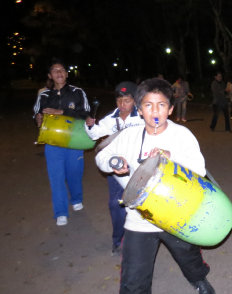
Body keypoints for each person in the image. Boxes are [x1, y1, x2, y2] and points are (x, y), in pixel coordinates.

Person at [95, 78, 215, 294]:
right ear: (140, 110)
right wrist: (114, 163)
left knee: (188, 254)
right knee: (133, 281)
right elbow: (102, 157)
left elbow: (199, 168)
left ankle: (198, 279)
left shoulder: (182, 135)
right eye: (148, 105)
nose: (155, 111)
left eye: (161, 105)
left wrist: (171, 157)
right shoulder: (129, 136)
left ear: (170, 109)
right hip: (140, 216)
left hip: (175, 211)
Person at [85, 81, 144, 255]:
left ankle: (142, 240)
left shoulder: (142, 115)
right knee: (116, 204)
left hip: (139, 166)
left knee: (142, 203)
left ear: (135, 100)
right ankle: (118, 240)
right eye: (119, 100)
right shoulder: (112, 117)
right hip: (117, 166)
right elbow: (95, 133)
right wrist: (90, 125)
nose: (122, 105)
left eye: (127, 100)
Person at [33, 59, 90, 226]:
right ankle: (61, 211)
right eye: (55, 71)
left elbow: (86, 114)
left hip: (74, 140)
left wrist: (62, 112)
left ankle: (76, 198)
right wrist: (38, 119)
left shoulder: (77, 92)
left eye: (62, 70)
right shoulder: (44, 95)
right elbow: (36, 114)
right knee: (56, 177)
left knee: (74, 173)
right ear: (50, 75)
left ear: (66, 74)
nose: (59, 73)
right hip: (52, 142)